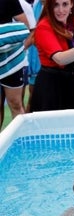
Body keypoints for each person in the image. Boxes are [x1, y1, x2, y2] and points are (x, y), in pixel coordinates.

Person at [30, 0, 74, 112]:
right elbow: (60, 59)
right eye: (56, 5)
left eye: (65, 4)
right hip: (51, 87)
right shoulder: (44, 26)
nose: (61, 10)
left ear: (72, 5)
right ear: (50, 6)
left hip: (73, 84)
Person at [0, 0, 30, 128]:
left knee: (16, 103)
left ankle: (21, 143)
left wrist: (18, 50)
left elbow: (25, 25)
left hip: (11, 59)